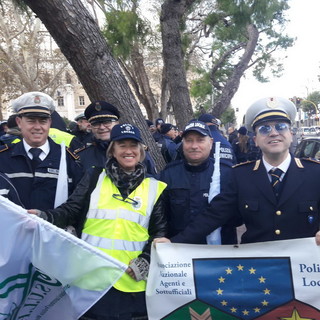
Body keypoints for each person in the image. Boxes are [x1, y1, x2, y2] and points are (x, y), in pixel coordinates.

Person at [29, 123, 167, 320]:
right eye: (122, 145)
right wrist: (44, 217)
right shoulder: (94, 177)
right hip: (92, 279)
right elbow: (71, 210)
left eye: (133, 145)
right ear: (112, 151)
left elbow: (158, 234)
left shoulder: (155, 187)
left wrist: (145, 261)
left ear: (141, 151)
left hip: (131, 281)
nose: (128, 151)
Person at [155, 96, 320, 246]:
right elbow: (214, 216)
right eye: (264, 129)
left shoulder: (315, 173)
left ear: (291, 135)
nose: (273, 133)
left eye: (281, 126)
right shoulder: (242, 176)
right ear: (255, 140)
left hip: (305, 272)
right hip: (258, 270)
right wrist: (174, 243)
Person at [0, 91, 83, 210]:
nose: (38, 127)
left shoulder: (69, 159)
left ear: (49, 123)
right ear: (19, 122)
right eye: (31, 121)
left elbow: (77, 205)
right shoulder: (3, 158)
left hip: (54, 227)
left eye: (43, 121)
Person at [160, 120, 237, 245]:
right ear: (182, 143)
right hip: (178, 251)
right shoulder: (168, 174)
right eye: (189, 140)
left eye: (200, 140)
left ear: (211, 143)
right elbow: (161, 218)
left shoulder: (227, 173)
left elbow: (237, 219)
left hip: (220, 254)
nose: (194, 146)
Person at [75, 101, 157, 175]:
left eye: (107, 122)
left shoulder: (137, 152)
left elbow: (151, 182)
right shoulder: (81, 156)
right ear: (91, 127)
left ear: (117, 123)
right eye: (96, 124)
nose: (102, 127)